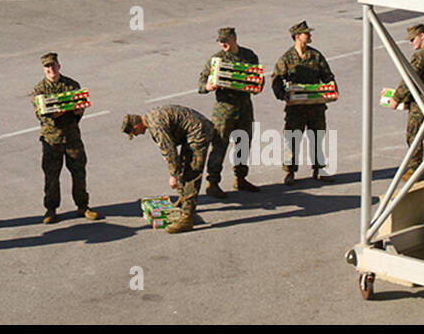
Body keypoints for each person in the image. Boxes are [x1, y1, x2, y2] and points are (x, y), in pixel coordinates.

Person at [29, 51, 100, 223]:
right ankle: (51, 209)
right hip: (52, 140)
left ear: (59, 66)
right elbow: (41, 114)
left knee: (79, 173)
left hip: (72, 138)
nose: (50, 69)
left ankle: (83, 206)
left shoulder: (71, 85)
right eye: (47, 67)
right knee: (52, 177)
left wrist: (78, 111)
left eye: (53, 65)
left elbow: (80, 106)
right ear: (43, 70)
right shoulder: (39, 90)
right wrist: (55, 115)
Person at [121, 105, 214, 233]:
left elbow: (169, 150)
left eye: (134, 133)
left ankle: (187, 218)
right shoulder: (150, 117)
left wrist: (173, 176)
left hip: (199, 132)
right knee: (182, 165)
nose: (136, 135)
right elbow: (170, 150)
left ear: (136, 126)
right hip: (193, 131)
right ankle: (184, 199)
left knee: (192, 172)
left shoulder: (156, 126)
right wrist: (174, 166)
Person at [272, 20, 337, 184]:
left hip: (316, 105)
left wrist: (332, 90)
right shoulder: (287, 58)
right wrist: (281, 95)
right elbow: (276, 79)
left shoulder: (315, 56)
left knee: (317, 137)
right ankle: (290, 172)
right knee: (293, 139)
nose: (309, 35)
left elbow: (327, 76)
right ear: (297, 36)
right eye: (306, 33)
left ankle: (319, 169)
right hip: (296, 107)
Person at [200, 26, 261, 197]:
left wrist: (258, 87)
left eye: (226, 40)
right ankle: (212, 183)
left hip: (244, 108)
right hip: (224, 110)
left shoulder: (248, 55)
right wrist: (208, 86)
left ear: (234, 38)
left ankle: (240, 179)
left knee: (243, 144)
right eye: (220, 41)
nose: (223, 44)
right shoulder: (217, 59)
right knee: (219, 146)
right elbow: (202, 81)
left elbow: (258, 78)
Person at [384, 25, 424, 181]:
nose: (411, 43)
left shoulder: (421, 56)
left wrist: (396, 98)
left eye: (413, 39)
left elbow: (410, 79)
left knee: (414, 135)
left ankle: (414, 168)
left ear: (423, 36)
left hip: (421, 103)